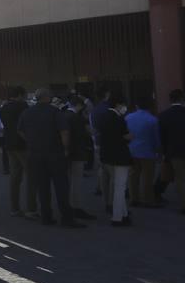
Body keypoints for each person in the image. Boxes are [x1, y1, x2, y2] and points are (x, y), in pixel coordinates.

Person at [20, 88, 83, 227]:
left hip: (35, 154)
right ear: (47, 97)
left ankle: (46, 216)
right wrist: (65, 148)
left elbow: (21, 131)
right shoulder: (55, 112)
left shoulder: (27, 112)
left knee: (43, 187)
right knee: (61, 186)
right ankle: (66, 218)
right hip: (55, 153)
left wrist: (31, 141)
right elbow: (64, 132)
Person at [0, 87, 37, 218]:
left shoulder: (3, 108)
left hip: (9, 145)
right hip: (22, 144)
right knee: (31, 176)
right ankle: (31, 209)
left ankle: (14, 208)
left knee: (15, 177)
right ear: (21, 95)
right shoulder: (23, 106)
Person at [96, 97, 133, 225]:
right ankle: (117, 216)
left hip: (106, 155)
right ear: (118, 104)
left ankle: (124, 214)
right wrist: (130, 136)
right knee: (120, 187)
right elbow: (125, 136)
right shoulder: (118, 119)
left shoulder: (103, 116)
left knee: (117, 185)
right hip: (120, 156)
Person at [125, 100, 162, 209]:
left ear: (137, 106)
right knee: (147, 177)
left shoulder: (128, 117)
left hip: (131, 150)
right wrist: (159, 152)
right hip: (147, 151)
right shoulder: (153, 120)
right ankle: (148, 200)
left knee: (133, 176)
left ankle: (134, 198)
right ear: (150, 107)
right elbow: (156, 139)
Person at [64, 96, 93, 217]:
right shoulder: (78, 118)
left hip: (65, 152)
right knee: (76, 181)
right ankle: (76, 206)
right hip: (77, 152)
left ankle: (67, 205)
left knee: (68, 180)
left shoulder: (63, 115)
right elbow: (85, 133)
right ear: (79, 106)